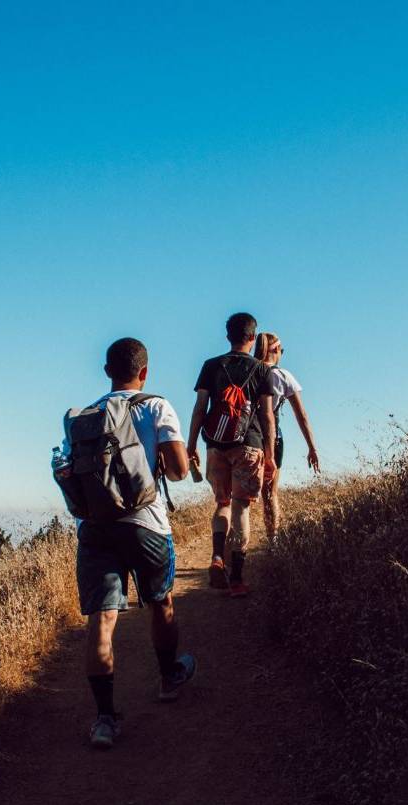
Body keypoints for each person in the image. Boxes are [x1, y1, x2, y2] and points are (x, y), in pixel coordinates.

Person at [59, 337, 196, 750]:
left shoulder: (85, 417)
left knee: (101, 622)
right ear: (145, 371)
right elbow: (178, 472)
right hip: (146, 524)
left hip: (96, 528)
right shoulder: (157, 407)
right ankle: (168, 678)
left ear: (106, 371)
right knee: (161, 602)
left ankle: (104, 719)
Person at [186, 312, 276, 597]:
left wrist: (191, 445)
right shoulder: (262, 370)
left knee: (222, 504)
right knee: (241, 508)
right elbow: (267, 416)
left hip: (215, 444)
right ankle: (237, 579)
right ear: (253, 337)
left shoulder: (211, 365)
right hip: (249, 444)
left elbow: (200, 409)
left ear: (228, 336)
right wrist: (270, 455)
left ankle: (216, 556)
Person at [253, 332, 319, 541]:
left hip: (246, 438)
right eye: (281, 350)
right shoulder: (283, 376)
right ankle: (273, 540)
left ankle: (233, 545)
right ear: (275, 350)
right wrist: (312, 447)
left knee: (237, 496)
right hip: (273, 439)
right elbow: (302, 415)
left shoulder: (249, 370)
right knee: (270, 493)